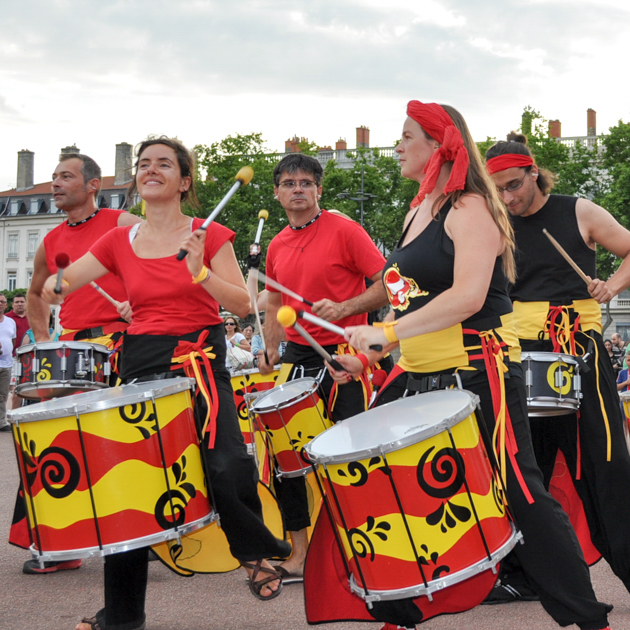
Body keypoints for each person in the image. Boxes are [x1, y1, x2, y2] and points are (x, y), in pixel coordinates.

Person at [327, 101, 612, 630]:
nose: (397, 146)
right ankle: (399, 611)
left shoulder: (471, 208)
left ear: (440, 146)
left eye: (407, 136)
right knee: (381, 479)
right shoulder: (415, 213)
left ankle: (588, 619)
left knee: (522, 495)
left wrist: (384, 333)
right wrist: (371, 350)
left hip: (478, 371)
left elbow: (467, 297)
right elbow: (404, 296)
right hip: (416, 371)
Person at [42, 136, 291, 630]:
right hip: (140, 364)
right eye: (143, 164)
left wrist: (198, 271)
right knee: (132, 492)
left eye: (163, 164)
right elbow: (59, 286)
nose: (150, 170)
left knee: (224, 463)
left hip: (198, 361)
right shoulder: (115, 241)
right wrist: (58, 281)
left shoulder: (210, 233)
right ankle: (120, 616)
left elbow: (243, 305)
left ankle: (254, 550)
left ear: (184, 181)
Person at [484, 133, 630, 604]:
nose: (508, 197)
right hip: (517, 351)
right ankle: (522, 574)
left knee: (605, 467)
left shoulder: (579, 211)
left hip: (579, 352)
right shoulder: (493, 221)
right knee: (524, 470)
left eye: (513, 186)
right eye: (498, 189)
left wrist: (612, 285)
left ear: (533, 172)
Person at [257, 153, 388, 579]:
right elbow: (274, 302)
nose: (298, 189)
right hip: (297, 358)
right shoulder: (276, 244)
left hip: (343, 356)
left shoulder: (346, 231)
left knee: (349, 457)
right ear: (277, 193)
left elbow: (389, 283)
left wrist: (347, 307)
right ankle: (299, 553)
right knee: (288, 459)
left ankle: (363, 552)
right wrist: (269, 348)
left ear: (319, 190)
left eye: (306, 182)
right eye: (290, 183)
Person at [12, 152, 140, 576]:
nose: (55, 183)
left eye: (66, 176)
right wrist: (44, 341)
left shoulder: (122, 223)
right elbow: (34, 295)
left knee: (124, 444)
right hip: (70, 351)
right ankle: (62, 542)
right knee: (56, 444)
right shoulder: (50, 242)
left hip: (122, 342)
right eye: (53, 176)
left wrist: (138, 301)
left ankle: (143, 532)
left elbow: (163, 258)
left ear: (92, 185)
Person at [0, 294, 16, 432]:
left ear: (6, 305)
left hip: (6, 364)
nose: (0, 304)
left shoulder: (11, 322)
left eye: (2, 302)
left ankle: (1, 422)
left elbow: (13, 342)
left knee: (3, 394)